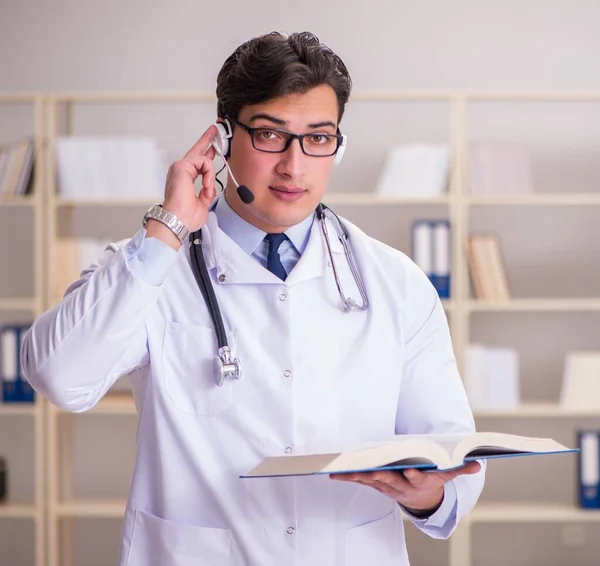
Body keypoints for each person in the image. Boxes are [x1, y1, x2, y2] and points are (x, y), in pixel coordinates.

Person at [22, 31, 485, 566]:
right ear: (221, 138)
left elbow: (453, 454)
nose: (294, 165)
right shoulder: (152, 267)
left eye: (318, 138)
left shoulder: (395, 282)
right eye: (269, 135)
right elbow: (59, 375)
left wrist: (428, 494)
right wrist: (166, 230)